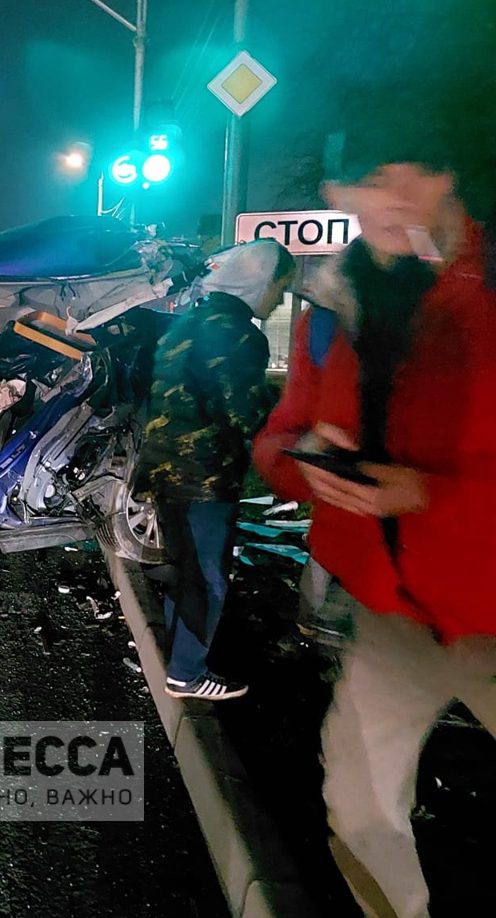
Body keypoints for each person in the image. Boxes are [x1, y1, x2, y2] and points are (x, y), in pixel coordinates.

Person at [254, 157, 496, 918]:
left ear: (451, 176)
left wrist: (428, 495)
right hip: (390, 614)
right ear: (338, 195)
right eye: (370, 180)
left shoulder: (484, 290)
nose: (393, 199)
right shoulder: (330, 307)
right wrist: (303, 466)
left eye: (415, 174)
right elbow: (280, 434)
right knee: (358, 804)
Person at [134, 239, 296, 700]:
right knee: (206, 576)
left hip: (164, 469)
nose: (279, 300)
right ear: (258, 283)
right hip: (204, 476)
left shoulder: (186, 323)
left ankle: (179, 662)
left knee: (183, 568)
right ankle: (187, 674)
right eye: (278, 289)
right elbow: (244, 413)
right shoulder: (240, 334)